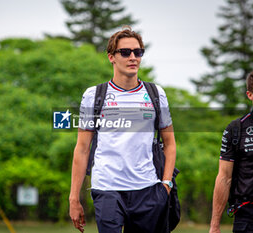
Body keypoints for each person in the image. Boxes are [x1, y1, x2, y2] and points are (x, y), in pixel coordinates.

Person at [69, 26, 176, 233]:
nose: (133, 57)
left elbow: (170, 144)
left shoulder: (155, 94)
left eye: (138, 52)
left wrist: (166, 185)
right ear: (111, 57)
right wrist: (74, 197)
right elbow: (82, 149)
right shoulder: (94, 95)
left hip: (148, 189)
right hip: (107, 188)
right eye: (125, 52)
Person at [210, 69, 253, 233]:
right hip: (249, 215)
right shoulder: (236, 129)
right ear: (250, 95)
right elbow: (224, 177)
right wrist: (215, 225)